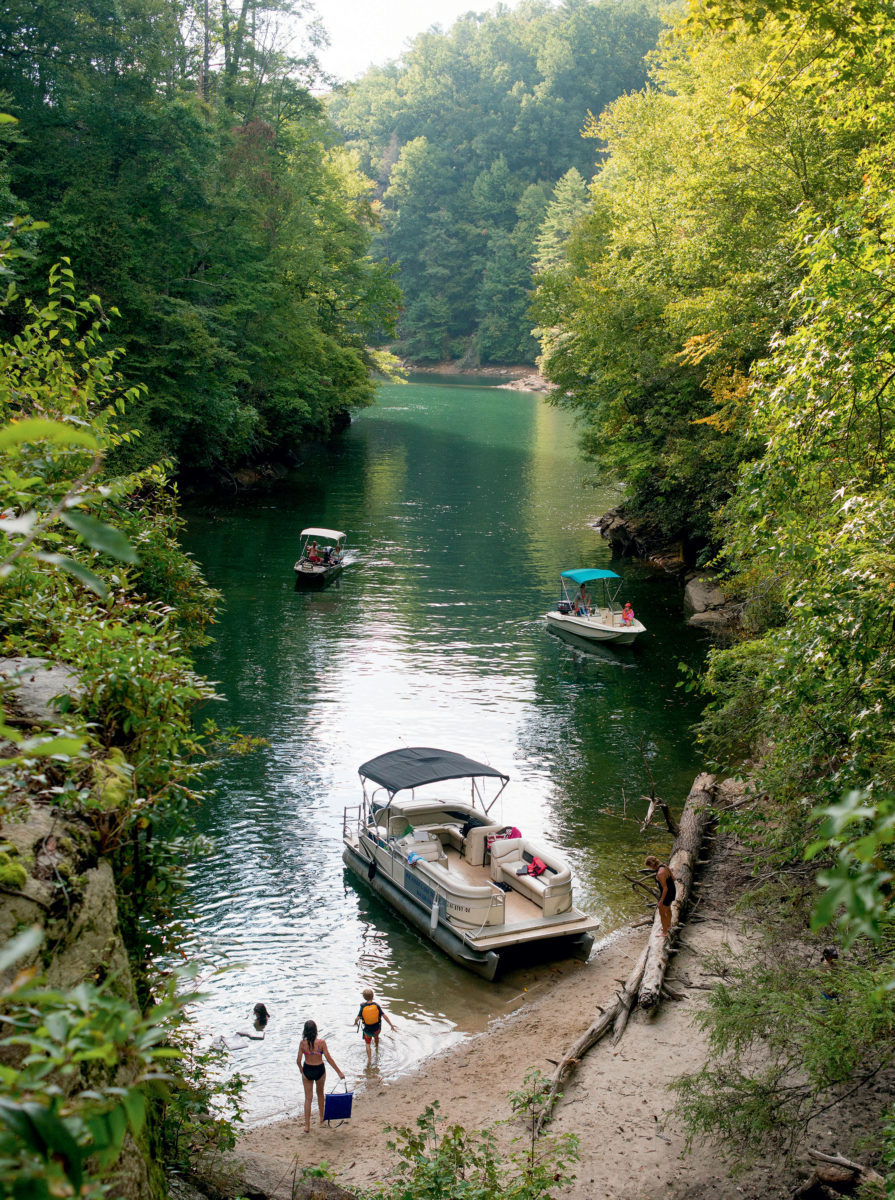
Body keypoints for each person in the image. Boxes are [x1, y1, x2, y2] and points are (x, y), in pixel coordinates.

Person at [297, 1019, 344, 1132]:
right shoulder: (321, 1042)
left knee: (308, 1098)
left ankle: (307, 1126)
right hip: (319, 1069)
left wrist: (301, 1070)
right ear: (316, 1030)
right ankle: (322, 1119)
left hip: (307, 1069)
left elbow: (298, 1060)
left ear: (305, 1031)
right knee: (320, 1094)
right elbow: (329, 1058)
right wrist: (339, 1072)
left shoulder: (302, 1043)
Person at [354, 988, 395, 1063]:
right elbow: (384, 1016)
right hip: (377, 1029)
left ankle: (369, 1060)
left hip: (367, 1031)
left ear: (364, 997)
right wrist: (391, 1025)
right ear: (373, 996)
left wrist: (355, 1022)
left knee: (367, 1043)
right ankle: (376, 1048)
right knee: (376, 1037)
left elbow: (357, 1018)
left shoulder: (363, 1007)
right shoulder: (376, 1005)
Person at [644, 855, 676, 937]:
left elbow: (665, 888)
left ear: (652, 865)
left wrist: (661, 900)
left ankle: (664, 932)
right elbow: (673, 878)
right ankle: (668, 926)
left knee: (662, 912)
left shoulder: (660, 873)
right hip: (672, 891)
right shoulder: (665, 866)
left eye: (650, 866)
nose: (651, 868)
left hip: (666, 893)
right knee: (668, 909)